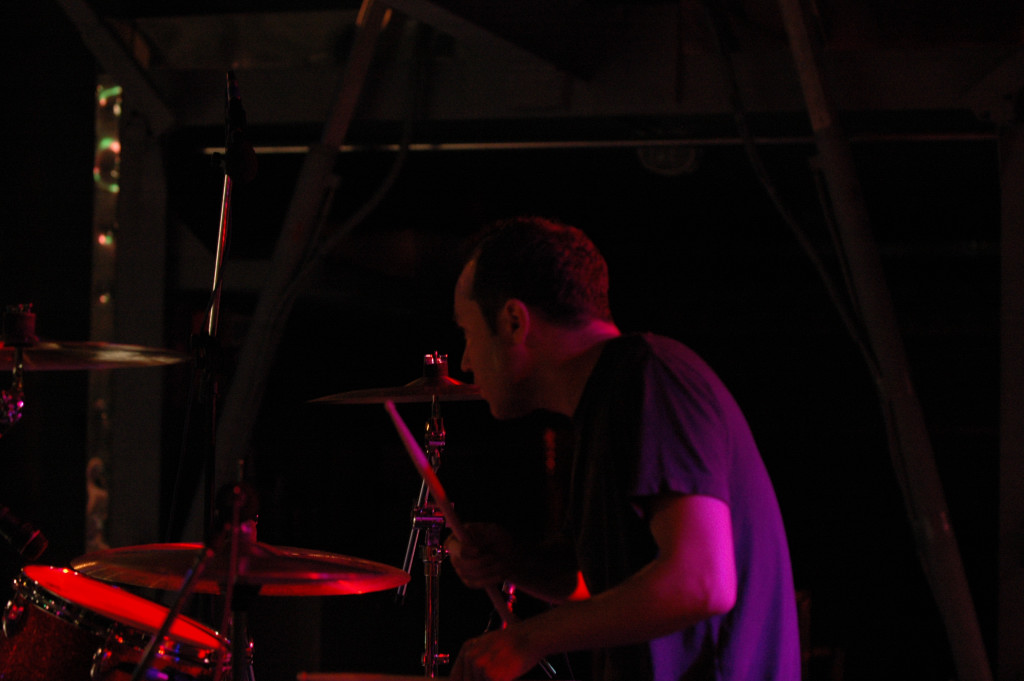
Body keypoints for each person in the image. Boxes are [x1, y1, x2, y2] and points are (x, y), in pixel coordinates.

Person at [446, 216, 801, 681]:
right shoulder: (604, 404)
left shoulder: (650, 376)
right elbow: (594, 585)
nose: (465, 361)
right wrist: (516, 563)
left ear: (514, 321)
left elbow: (701, 582)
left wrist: (526, 639)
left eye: (468, 332)